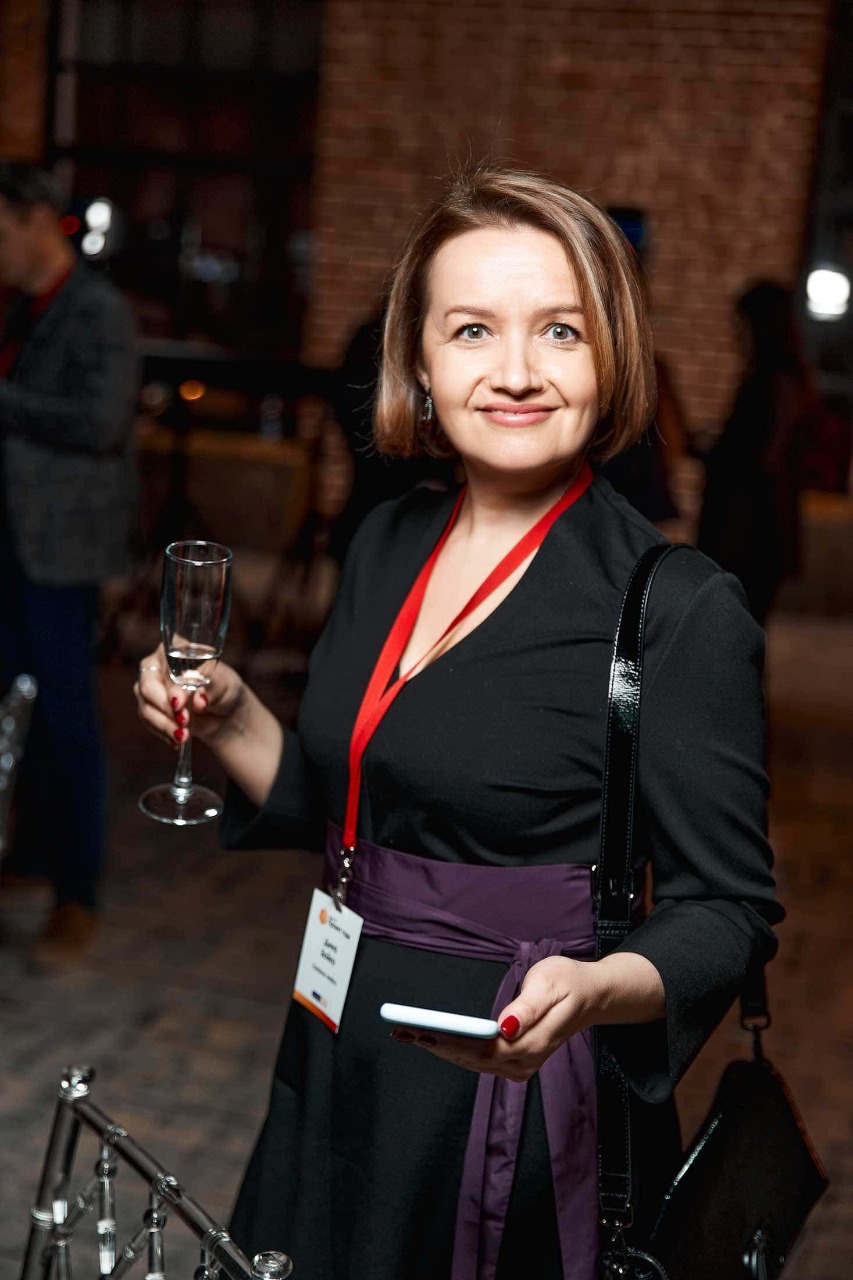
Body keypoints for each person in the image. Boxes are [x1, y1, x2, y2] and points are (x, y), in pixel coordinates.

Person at [135, 168, 782, 1280]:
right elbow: (353, 806)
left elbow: (730, 910)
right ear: (421, 364)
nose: (516, 371)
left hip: (509, 1088)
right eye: (472, 329)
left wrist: (597, 986)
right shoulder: (388, 537)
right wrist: (233, 715)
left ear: (611, 358)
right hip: (338, 1039)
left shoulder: (673, 606)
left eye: (560, 331)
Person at [0, 163, 138, 963]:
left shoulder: (97, 310)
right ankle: (26, 856)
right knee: (19, 717)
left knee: (66, 723)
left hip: (60, 553)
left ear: (33, 221)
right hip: (12, 545)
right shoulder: (21, 308)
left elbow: (100, 422)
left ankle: (76, 894)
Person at [698, 280, 816, 624]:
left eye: (744, 324)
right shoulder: (779, 381)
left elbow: (762, 458)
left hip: (751, 531)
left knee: (735, 626)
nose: (737, 334)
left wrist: (717, 454)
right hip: (755, 528)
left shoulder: (775, 383)